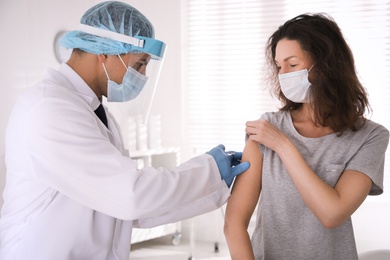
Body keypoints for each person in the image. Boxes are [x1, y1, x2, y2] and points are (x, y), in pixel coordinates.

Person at [0, 1, 249, 259]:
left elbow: (130, 208)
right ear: (106, 51)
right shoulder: (50, 108)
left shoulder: (97, 112)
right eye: (140, 64)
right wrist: (208, 170)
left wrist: (213, 180)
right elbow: (130, 195)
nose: (142, 76)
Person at [224, 13, 389, 260]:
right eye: (280, 67)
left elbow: (331, 213)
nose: (283, 75)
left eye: (292, 65)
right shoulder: (267, 127)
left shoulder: (371, 136)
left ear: (326, 65)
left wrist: (283, 145)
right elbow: (234, 224)